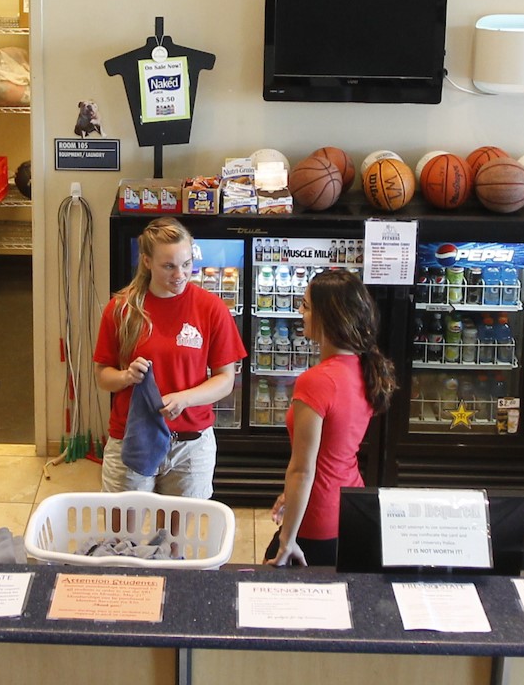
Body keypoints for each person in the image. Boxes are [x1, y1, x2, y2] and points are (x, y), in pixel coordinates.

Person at [94, 218, 246, 498]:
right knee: (121, 536)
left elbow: (226, 379)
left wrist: (185, 398)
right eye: (169, 266)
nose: (181, 274)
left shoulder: (211, 308)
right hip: (132, 439)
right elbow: (103, 375)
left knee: (177, 540)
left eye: (187, 263)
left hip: (191, 447)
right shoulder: (121, 309)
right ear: (147, 262)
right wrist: (127, 376)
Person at [267, 267, 395, 567]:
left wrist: (287, 541)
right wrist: (290, 495)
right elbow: (334, 449)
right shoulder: (366, 368)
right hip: (350, 504)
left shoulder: (316, 381)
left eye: (307, 306)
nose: (301, 312)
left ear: (329, 317)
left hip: (316, 516)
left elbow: (302, 470)